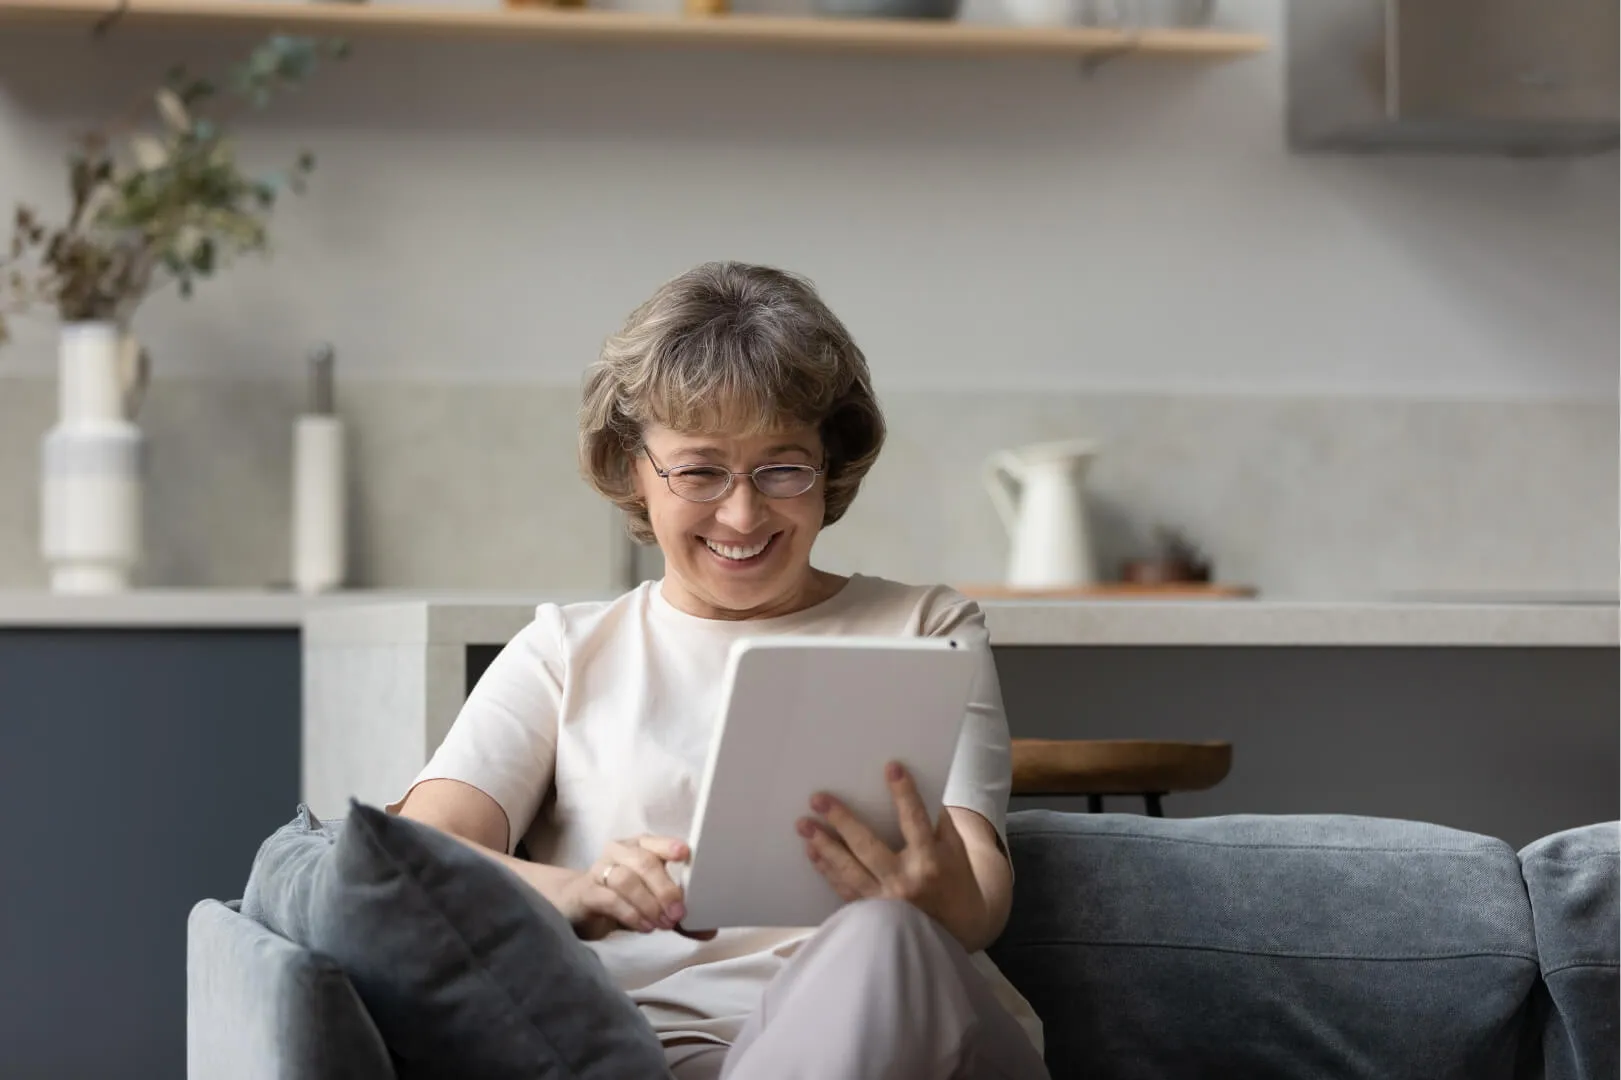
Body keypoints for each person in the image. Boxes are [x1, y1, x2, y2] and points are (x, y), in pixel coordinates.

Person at [391, 261, 1050, 1080]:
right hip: (656, 1055)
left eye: (781, 468)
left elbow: (981, 891)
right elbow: (419, 851)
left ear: (828, 465)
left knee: (879, 936)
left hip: (913, 1036)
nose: (742, 515)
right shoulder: (565, 651)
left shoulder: (926, 625)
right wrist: (574, 890)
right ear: (633, 468)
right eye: (700, 471)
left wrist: (929, 892)